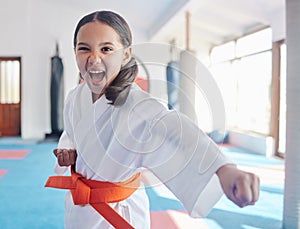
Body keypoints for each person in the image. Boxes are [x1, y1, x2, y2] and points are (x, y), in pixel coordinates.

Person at [45, 10, 260, 229]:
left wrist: (223, 168)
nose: (94, 58)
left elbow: (176, 130)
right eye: (84, 49)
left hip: (118, 212)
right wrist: (67, 149)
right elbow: (70, 134)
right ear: (75, 52)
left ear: (126, 54)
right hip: (79, 207)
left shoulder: (137, 105)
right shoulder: (75, 96)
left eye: (106, 49)